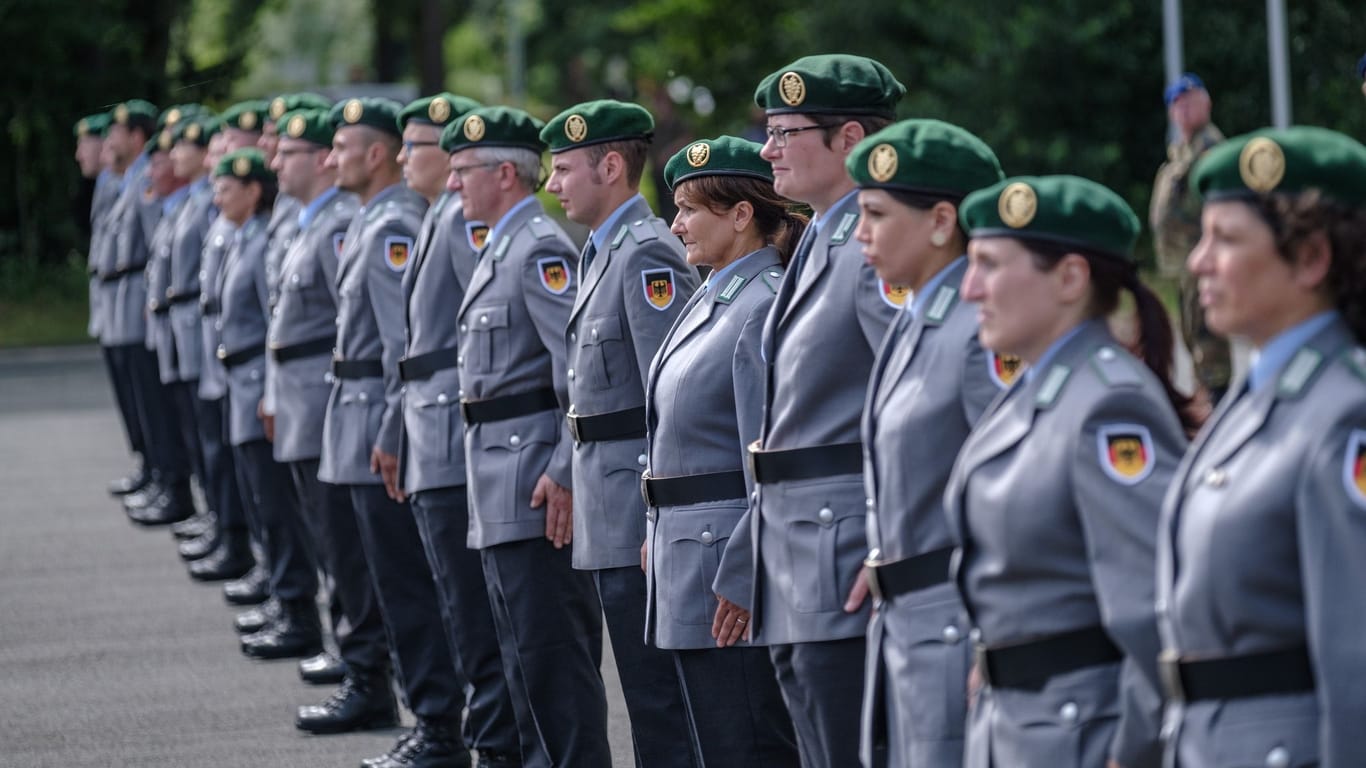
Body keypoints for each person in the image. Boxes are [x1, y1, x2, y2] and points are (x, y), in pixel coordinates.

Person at [948, 174, 1198, 768]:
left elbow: (1154, 608)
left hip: (1081, 736)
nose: (969, 289)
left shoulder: (1110, 406)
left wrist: (1133, 749)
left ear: (1070, 278)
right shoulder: (1039, 388)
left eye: (988, 264)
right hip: (1021, 726)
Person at [1158, 126, 1366, 767]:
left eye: (1225, 239)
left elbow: (1355, 657)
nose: (1198, 263)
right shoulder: (1262, 392)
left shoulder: (1343, 413)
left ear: (1309, 259)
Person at [742, 53, 904, 768]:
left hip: (843, 548)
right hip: (795, 548)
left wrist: (892, 541)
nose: (768, 148)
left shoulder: (872, 249)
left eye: (786, 131)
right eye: (768, 131)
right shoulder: (819, 238)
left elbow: (915, 403)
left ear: (850, 141)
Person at [443, 104, 612, 768]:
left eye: (463, 171)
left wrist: (565, 467)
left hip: (532, 487)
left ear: (505, 174)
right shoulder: (504, 244)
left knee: (552, 668)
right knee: (521, 667)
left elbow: (577, 375)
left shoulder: (538, 246)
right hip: (500, 484)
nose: (453, 184)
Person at [542, 98, 700, 768]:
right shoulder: (601, 251)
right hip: (609, 503)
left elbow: (671, 402)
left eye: (565, 168)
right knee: (643, 690)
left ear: (611, 166)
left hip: (636, 509)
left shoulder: (644, 256)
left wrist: (654, 518)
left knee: (660, 698)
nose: (551, 184)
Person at [846, 119, 1007, 768]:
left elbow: (1010, 498)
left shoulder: (978, 335)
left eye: (877, 215)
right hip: (908, 621)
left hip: (953, 626)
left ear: (942, 222)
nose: (860, 233)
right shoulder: (917, 319)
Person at [313, 97, 469, 768]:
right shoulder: (393, 220)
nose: (331, 158)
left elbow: (408, 346)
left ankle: (438, 725)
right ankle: (427, 716)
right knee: (386, 580)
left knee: (406, 588)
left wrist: (390, 430)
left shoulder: (397, 227)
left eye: (417, 144)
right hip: (368, 419)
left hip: (392, 428)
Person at [642, 135, 802, 766]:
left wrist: (742, 572)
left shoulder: (759, 307)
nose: (676, 222)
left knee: (744, 744)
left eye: (688, 209)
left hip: (722, 570)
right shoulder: (711, 293)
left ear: (741, 214)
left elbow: (767, 461)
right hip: (686, 555)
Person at [395, 93, 522, 766]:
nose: (416, 161)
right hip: (436, 429)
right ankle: (477, 738)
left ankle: (490, 742)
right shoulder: (442, 214)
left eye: (420, 146)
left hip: (458, 437)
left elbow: (490, 330)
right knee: (456, 603)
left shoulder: (465, 223)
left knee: (473, 612)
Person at [259, 106, 385, 697]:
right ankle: (353, 652)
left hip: (329, 397)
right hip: (311, 397)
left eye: (288, 153)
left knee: (344, 543)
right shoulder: (324, 219)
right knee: (328, 535)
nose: (275, 162)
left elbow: (357, 326)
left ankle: (363, 664)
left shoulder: (340, 223)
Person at [209, 147, 323, 660]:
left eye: (226, 187)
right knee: (262, 500)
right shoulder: (246, 237)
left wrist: (270, 392)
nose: (217, 196)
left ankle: (297, 608)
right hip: (249, 383)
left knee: (278, 507)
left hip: (262, 386)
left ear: (253, 192)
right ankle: (285, 600)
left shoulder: (260, 242)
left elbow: (274, 318)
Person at [99, 100, 198, 526]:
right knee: (145, 403)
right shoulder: (130, 182)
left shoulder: (146, 183)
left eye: (116, 133)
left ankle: (171, 483)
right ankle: (158, 474)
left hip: (148, 308)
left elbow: (160, 244)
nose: (108, 143)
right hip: (132, 304)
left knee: (160, 407)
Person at [1150, 73, 1229, 403]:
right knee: (1192, 333)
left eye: (1190, 101)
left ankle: (1217, 399)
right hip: (1182, 263)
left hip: (1203, 259)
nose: (1183, 109)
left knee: (1207, 334)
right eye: (1176, 104)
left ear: (1207, 104)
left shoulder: (1210, 150)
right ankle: (1207, 394)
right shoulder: (1182, 152)